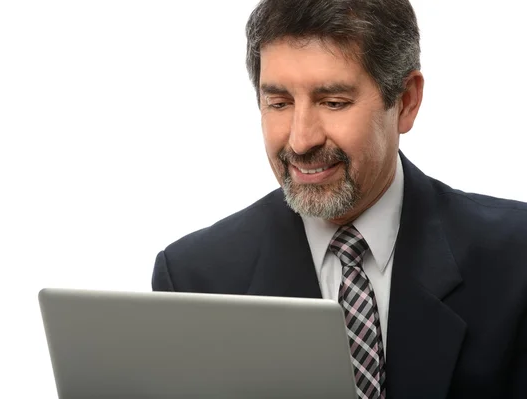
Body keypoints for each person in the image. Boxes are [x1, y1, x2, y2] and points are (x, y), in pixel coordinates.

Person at [151, 0, 527, 397]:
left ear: (406, 101)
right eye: (279, 103)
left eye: (333, 102)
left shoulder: (516, 259)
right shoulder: (193, 280)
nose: (300, 140)